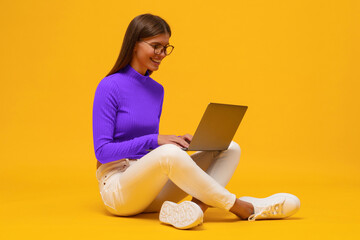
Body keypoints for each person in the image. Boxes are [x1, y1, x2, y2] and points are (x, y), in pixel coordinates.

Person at [92, 13, 300, 230]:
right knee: (167, 153)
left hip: (151, 191)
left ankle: (195, 210)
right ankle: (242, 207)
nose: (162, 54)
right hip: (119, 190)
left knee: (229, 148)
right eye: (156, 46)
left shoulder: (156, 90)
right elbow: (103, 152)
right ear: (135, 44)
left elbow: (149, 148)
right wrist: (157, 142)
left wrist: (177, 142)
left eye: (166, 47)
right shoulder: (109, 87)